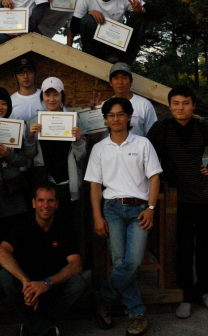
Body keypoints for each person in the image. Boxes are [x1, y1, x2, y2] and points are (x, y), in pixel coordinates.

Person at [146, 85, 208, 319]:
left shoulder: (202, 127)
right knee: (183, 248)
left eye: (185, 103)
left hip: (205, 196)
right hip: (178, 198)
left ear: (193, 105)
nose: (180, 108)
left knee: (206, 248)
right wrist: (159, 177)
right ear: (169, 106)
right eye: (176, 103)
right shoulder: (161, 128)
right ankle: (187, 296)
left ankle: (205, 291)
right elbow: (146, 153)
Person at [84, 97, 162, 336]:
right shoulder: (99, 148)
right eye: (110, 115)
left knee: (133, 261)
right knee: (120, 262)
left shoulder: (143, 143)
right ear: (105, 120)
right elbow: (95, 185)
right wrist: (97, 217)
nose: (115, 119)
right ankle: (137, 314)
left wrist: (151, 208)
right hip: (112, 209)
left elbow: (154, 177)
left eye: (120, 114)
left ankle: (103, 298)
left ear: (129, 117)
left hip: (139, 209)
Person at [0, 181, 87, 336]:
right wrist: (26, 282)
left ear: (57, 203)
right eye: (41, 200)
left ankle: (31, 324)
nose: (45, 205)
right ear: (33, 203)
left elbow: (76, 265)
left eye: (50, 200)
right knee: (3, 276)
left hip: (53, 285)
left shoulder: (65, 226)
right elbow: (1, 253)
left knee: (79, 282)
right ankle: (43, 328)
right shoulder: (23, 224)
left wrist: (46, 283)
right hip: (27, 289)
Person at [24, 77, 86, 219]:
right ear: (42, 97)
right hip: (43, 183)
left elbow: (81, 155)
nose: (51, 99)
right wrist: (30, 137)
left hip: (66, 183)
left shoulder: (74, 120)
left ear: (62, 96)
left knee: (66, 221)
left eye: (56, 94)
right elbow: (29, 154)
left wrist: (78, 140)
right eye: (47, 95)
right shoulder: (33, 121)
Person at [71, 0, 146, 65]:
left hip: (116, 43)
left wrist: (140, 9)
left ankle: (126, 64)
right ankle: (91, 59)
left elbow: (151, 11)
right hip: (95, 45)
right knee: (87, 20)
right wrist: (88, 13)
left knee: (139, 16)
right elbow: (74, 27)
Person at [0, 86, 29, 236]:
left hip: (13, 192)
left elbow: (23, 161)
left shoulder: (15, 128)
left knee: (14, 236)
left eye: (3, 103)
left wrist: (9, 154)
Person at [91, 62, 157, 137]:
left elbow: (154, 135)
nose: (120, 82)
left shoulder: (144, 105)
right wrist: (94, 113)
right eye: (116, 78)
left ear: (131, 81)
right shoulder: (103, 106)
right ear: (110, 82)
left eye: (124, 78)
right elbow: (94, 137)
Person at [9, 56, 43, 121]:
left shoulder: (45, 97)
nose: (25, 76)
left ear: (35, 74)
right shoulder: (11, 101)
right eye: (21, 73)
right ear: (15, 76)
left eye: (29, 71)